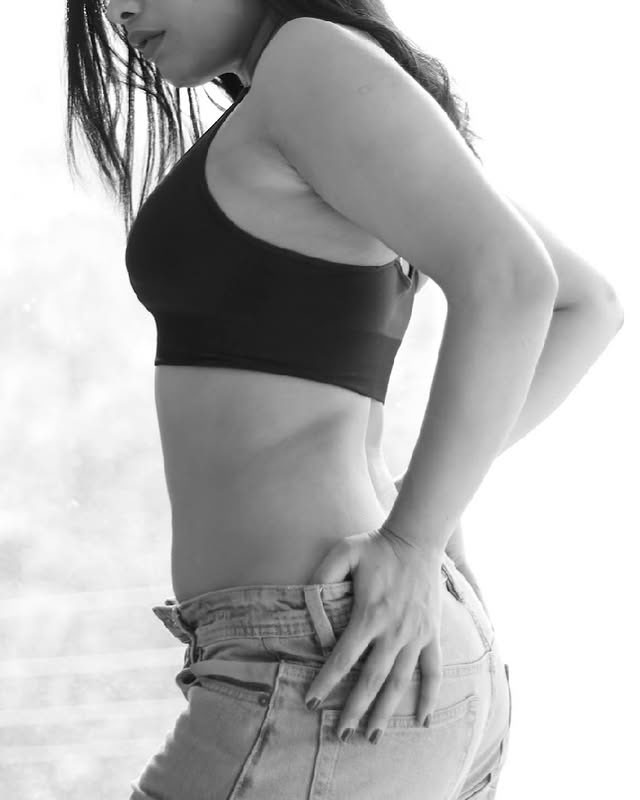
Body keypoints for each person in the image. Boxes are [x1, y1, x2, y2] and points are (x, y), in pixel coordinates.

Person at [64, 1, 623, 798]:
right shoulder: (318, 94)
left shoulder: (309, 60)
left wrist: (415, 538)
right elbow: (585, 305)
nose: (121, 9)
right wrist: (416, 513)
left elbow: (521, 283)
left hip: (320, 669)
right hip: (356, 659)